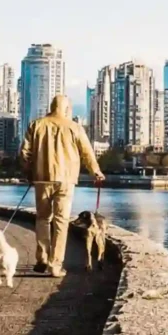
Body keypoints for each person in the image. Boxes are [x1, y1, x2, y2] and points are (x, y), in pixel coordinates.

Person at [19, 94, 105, 278]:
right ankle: (55, 265)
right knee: (61, 221)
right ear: (66, 109)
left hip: (42, 178)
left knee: (43, 219)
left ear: (51, 107)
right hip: (66, 180)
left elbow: (25, 152)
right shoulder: (75, 127)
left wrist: (29, 172)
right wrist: (96, 171)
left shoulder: (36, 125)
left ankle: (42, 257)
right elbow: (87, 152)